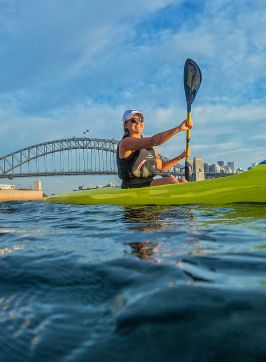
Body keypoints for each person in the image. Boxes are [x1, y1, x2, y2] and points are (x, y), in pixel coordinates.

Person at [117, 109, 193, 189]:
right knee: (171, 181)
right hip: (132, 187)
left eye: (141, 120)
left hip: (148, 183)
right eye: (133, 120)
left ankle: (188, 199)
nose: (139, 122)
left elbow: (162, 167)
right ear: (125, 125)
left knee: (183, 181)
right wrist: (179, 129)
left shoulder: (150, 146)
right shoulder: (125, 142)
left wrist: (181, 156)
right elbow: (154, 141)